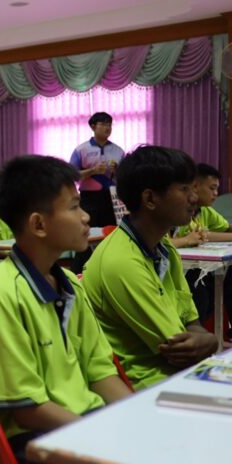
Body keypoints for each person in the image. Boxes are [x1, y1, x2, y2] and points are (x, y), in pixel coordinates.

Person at [0, 155, 131, 463]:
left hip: (84, 420)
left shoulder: (71, 285)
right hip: (36, 438)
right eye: (74, 207)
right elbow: (27, 409)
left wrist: (137, 417)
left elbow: (100, 372)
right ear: (38, 224)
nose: (85, 217)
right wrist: (99, 436)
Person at [83, 146, 217, 390]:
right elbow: (178, 349)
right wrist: (210, 342)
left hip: (178, 375)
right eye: (184, 189)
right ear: (150, 199)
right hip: (146, 386)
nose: (194, 198)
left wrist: (208, 341)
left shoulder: (164, 248)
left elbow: (192, 322)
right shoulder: (121, 261)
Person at [169, 163, 232, 324]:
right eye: (212, 188)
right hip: (174, 271)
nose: (216, 194)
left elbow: (225, 230)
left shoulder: (205, 210)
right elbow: (158, 242)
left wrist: (208, 236)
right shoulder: (174, 211)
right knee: (200, 294)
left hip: (198, 268)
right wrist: (186, 240)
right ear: (195, 186)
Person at [69, 112, 125, 227]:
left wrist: (117, 170)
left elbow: (125, 176)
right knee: (90, 229)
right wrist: (93, 170)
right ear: (93, 127)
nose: (108, 128)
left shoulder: (118, 150)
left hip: (112, 197)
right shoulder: (81, 150)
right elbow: (72, 175)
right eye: (103, 124)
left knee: (111, 229)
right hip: (89, 197)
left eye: (109, 125)